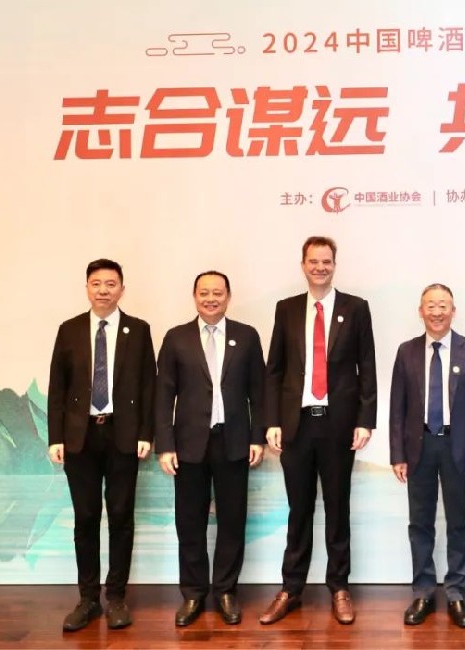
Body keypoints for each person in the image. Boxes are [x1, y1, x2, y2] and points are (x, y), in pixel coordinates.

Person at [260, 236, 377, 626]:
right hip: (296, 425)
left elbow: (367, 367)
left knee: (338, 508)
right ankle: (290, 588)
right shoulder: (287, 309)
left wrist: (365, 420)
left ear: (334, 265)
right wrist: (272, 421)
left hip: (338, 425)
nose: (320, 267)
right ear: (303, 265)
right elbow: (274, 370)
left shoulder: (355, 308)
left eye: (326, 261)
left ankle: (339, 587)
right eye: (313, 261)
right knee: (299, 509)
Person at [47, 258, 156, 631]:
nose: (103, 290)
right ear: (87, 288)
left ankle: (117, 598)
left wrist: (146, 433)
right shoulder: (70, 329)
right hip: (80, 438)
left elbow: (148, 385)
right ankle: (88, 599)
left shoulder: (138, 330)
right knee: (86, 517)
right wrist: (56, 437)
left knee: (121, 517)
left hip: (123, 435)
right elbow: (57, 388)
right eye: (96, 283)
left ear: (122, 289)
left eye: (111, 284)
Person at [154, 271, 266, 627]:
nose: (211, 299)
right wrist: (165, 445)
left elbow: (259, 393)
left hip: (233, 442)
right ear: (194, 296)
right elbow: (162, 395)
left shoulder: (247, 336)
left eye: (218, 293)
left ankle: (226, 591)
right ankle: (193, 593)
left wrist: (258, 438)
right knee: (190, 522)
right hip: (188, 445)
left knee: (232, 520)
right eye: (204, 293)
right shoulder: (176, 338)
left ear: (228, 297)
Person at [389, 283, 465, 628]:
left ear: (453, 310)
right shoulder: (406, 351)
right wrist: (397, 454)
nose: (436, 312)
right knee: (419, 523)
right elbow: (397, 408)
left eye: (443, 305)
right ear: (420, 311)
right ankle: (423, 592)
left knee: (458, 523)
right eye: (430, 306)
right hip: (418, 448)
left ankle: (456, 593)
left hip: (457, 448)